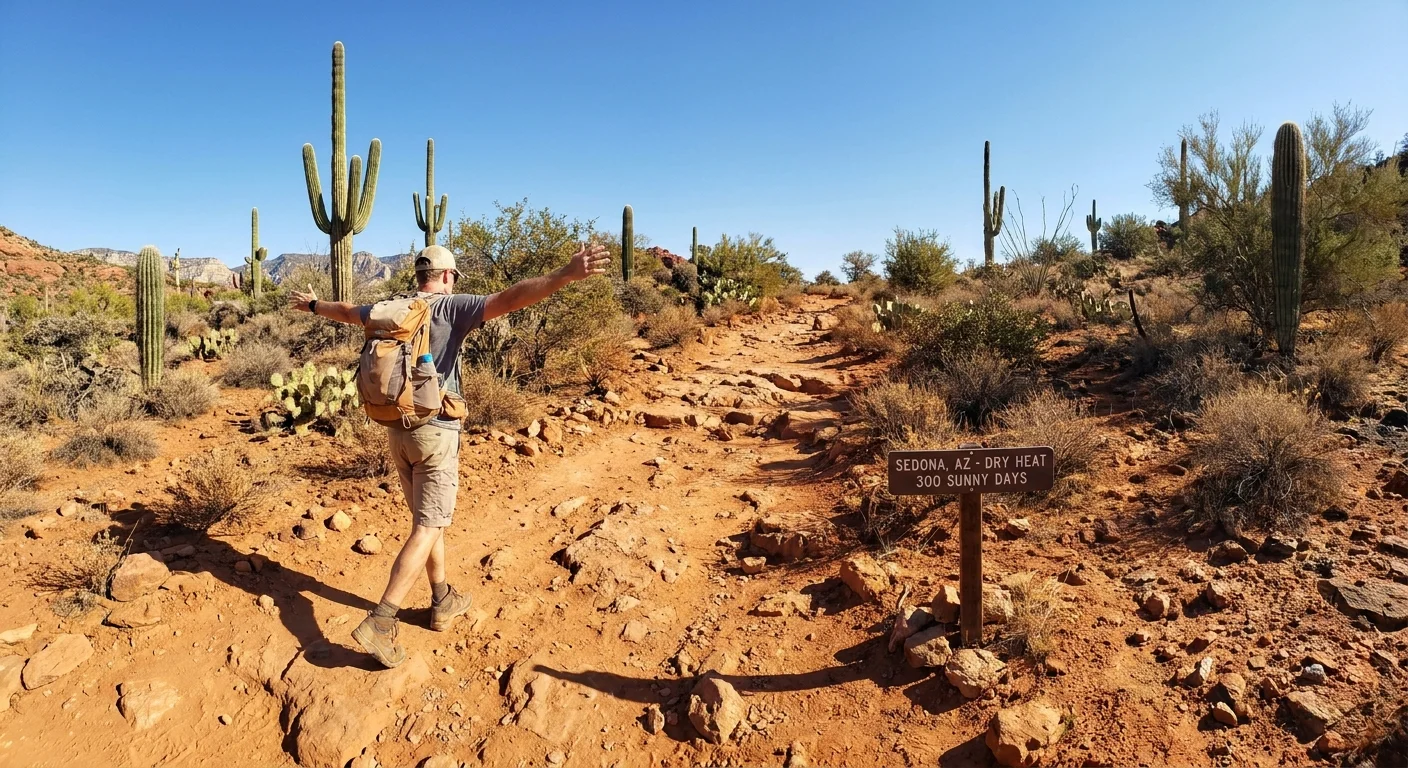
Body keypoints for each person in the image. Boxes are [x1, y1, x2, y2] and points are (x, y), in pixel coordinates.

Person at [288, 242, 610, 667]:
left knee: (428, 521)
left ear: (418, 275)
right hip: (436, 432)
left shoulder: (390, 308)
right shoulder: (451, 308)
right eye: (452, 276)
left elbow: (347, 311)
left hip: (397, 430)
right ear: (447, 276)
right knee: (428, 525)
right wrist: (564, 275)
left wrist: (311, 304)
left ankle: (442, 600)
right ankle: (381, 621)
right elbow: (512, 298)